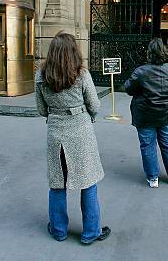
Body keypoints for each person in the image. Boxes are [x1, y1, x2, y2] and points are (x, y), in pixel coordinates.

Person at [35, 32, 111, 244]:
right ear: (73, 51)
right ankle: (90, 233)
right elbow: (94, 105)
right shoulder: (81, 74)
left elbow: (41, 109)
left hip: (55, 132)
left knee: (57, 183)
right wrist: (89, 116)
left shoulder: (41, 76)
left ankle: (58, 230)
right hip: (80, 131)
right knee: (88, 181)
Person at [124, 38, 168, 188]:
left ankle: (153, 178)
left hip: (145, 114)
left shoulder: (141, 71)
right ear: (164, 51)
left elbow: (128, 89)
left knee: (147, 145)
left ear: (149, 53)